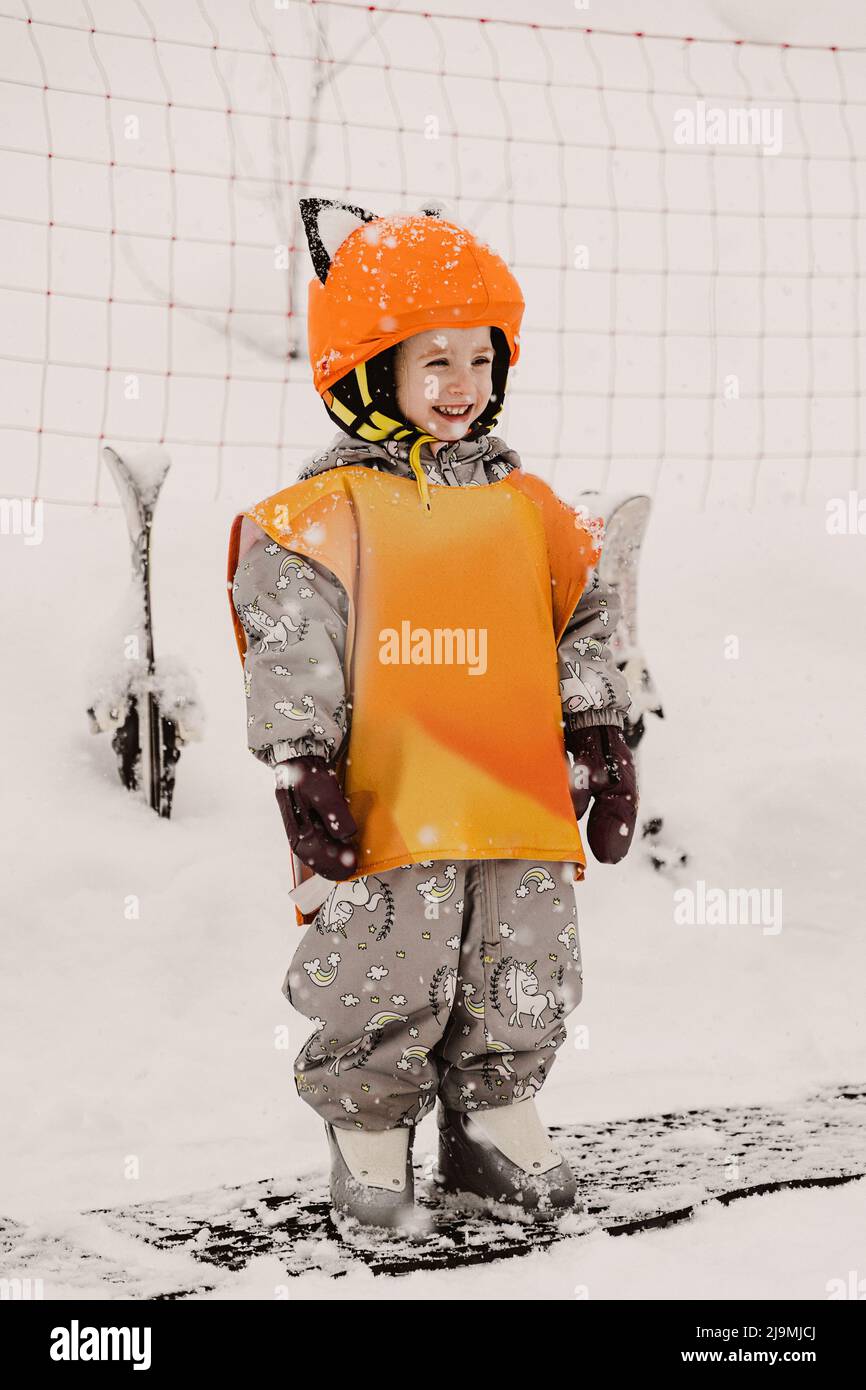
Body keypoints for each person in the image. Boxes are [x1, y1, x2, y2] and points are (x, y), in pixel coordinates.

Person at [227, 197, 638, 1229]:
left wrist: (595, 727)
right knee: (383, 956)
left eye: (481, 361)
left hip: (513, 799)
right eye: (435, 362)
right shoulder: (319, 519)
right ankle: (367, 1118)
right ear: (366, 372)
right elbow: (291, 638)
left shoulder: (530, 511)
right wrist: (300, 759)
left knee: (522, 957)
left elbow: (582, 621)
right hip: (388, 800)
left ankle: (496, 1116)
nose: (464, 387)